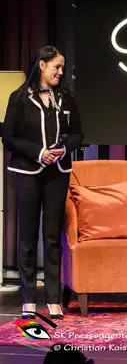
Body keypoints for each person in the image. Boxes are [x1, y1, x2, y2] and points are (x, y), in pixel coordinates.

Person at [2, 46, 83, 320]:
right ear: (42, 65)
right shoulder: (19, 98)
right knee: (27, 237)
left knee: (52, 237)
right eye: (56, 67)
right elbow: (9, 138)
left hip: (57, 173)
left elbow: (78, 133)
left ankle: (52, 298)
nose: (60, 72)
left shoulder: (66, 98)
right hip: (28, 173)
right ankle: (28, 299)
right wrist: (39, 152)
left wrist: (64, 148)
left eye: (62, 68)